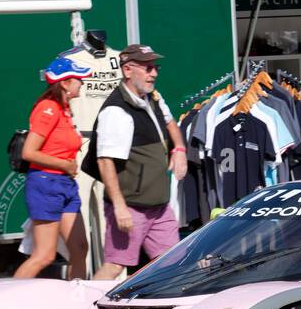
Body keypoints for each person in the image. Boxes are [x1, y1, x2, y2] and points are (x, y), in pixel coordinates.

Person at [84, 44, 188, 280]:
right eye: (148, 68)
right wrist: (120, 206)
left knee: (173, 262)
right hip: (131, 206)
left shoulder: (152, 98)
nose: (154, 73)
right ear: (128, 70)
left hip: (159, 206)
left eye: (156, 67)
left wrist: (179, 149)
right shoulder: (116, 111)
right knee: (115, 265)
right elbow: (105, 161)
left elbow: (170, 122)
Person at [13, 56, 91, 279]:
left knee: (80, 248)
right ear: (65, 83)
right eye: (78, 79)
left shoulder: (64, 109)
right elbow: (29, 152)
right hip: (46, 184)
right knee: (44, 256)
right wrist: (64, 164)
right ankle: (7, 301)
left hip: (65, 184)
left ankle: (77, 301)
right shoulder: (48, 108)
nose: (82, 83)